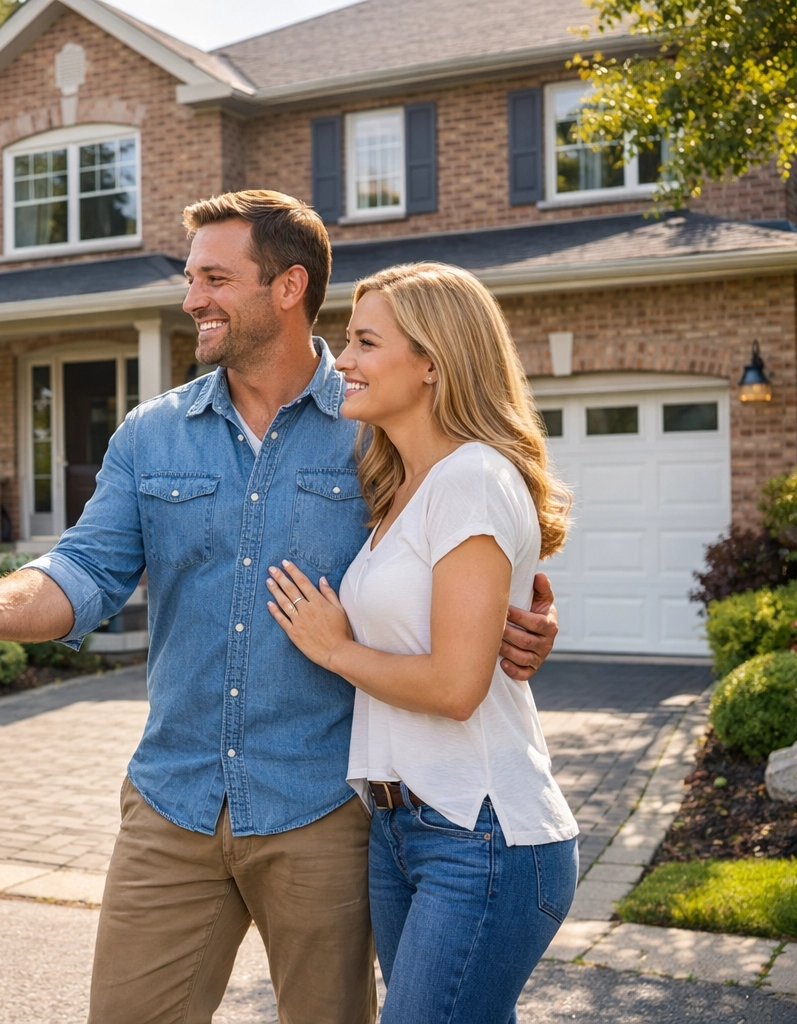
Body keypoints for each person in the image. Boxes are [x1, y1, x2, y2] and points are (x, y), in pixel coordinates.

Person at [0, 192, 561, 1024]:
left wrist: (519, 626)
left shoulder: (379, 420)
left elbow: (463, 562)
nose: (191, 298)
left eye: (214, 277)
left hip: (326, 810)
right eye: (191, 277)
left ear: (288, 285)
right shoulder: (151, 434)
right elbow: (82, 569)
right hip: (175, 797)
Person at [264, 261, 580, 1024]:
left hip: (482, 835)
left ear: (434, 361)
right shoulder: (401, 485)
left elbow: (454, 686)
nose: (342, 360)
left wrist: (333, 647)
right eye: (347, 341)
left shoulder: (472, 476)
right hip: (401, 829)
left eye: (366, 342)